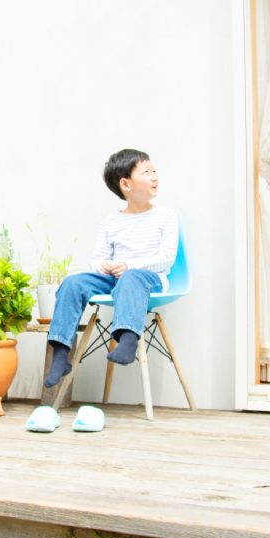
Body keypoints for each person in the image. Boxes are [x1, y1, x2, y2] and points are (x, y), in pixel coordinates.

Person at [43, 149, 178, 388]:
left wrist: (130, 266)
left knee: (131, 277)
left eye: (155, 171)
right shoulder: (111, 222)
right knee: (74, 283)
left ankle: (128, 338)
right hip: (116, 279)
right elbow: (97, 259)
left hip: (148, 279)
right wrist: (103, 265)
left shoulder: (166, 216)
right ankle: (61, 354)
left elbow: (166, 258)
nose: (155, 176)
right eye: (147, 172)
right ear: (126, 184)